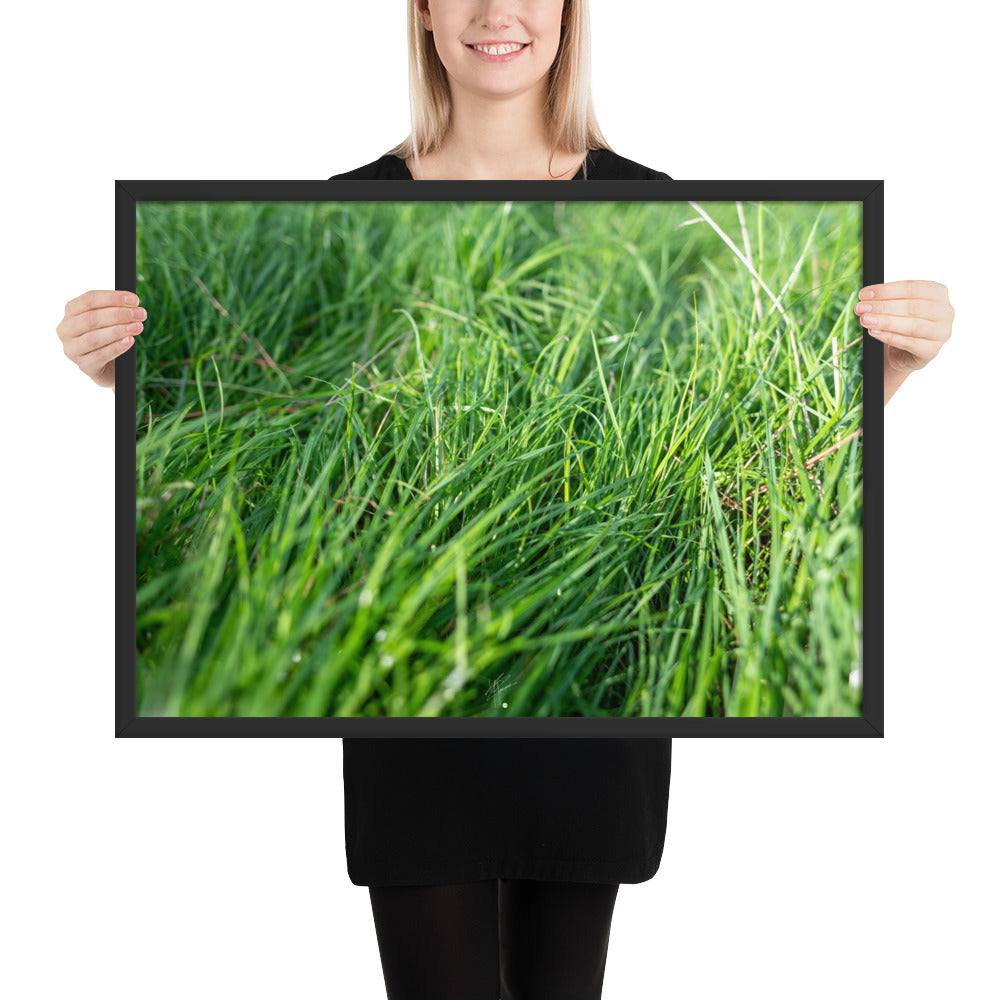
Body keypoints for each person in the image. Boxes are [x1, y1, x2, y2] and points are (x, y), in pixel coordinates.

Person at [56, 2, 954, 997]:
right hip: (411, 719)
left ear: (569, 16)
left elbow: (778, 441)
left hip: (591, 724)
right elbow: (233, 427)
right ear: (425, 14)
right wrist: (122, 379)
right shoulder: (344, 205)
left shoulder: (656, 203)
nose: (496, 12)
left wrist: (895, 368)